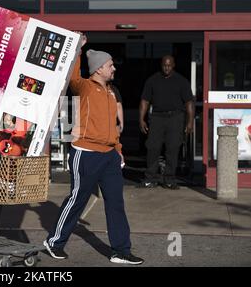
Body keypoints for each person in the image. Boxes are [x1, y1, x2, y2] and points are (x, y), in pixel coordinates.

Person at [43, 34, 144, 265]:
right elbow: (72, 75)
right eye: (110, 65)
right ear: (99, 68)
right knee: (78, 199)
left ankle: (120, 251)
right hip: (85, 153)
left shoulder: (110, 92)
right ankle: (55, 241)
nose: (114, 68)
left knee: (116, 202)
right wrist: (78, 49)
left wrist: (117, 149)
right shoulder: (85, 87)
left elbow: (112, 127)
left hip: (109, 155)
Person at [138, 55, 194, 190]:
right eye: (164, 65)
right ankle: (150, 178)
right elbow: (145, 101)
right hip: (157, 117)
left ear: (173, 65)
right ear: (161, 65)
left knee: (173, 148)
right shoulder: (152, 80)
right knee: (153, 147)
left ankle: (169, 179)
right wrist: (141, 119)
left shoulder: (182, 81)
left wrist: (190, 122)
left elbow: (189, 103)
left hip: (175, 117)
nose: (166, 68)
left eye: (169, 65)